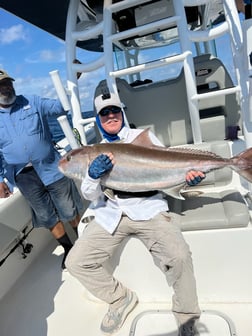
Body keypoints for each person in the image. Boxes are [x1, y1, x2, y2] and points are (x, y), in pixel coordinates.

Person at [66, 92, 205, 335]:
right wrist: (92, 174)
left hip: (149, 207)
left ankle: (186, 316)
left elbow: (166, 168)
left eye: (114, 111)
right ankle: (120, 299)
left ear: (122, 113)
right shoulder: (94, 151)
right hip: (111, 213)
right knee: (75, 262)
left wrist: (187, 178)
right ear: (98, 119)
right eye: (104, 113)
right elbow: (90, 195)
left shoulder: (142, 137)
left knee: (180, 256)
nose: (111, 116)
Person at [0, 69, 84, 269]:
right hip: (22, 176)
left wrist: (72, 82)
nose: (6, 87)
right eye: (1, 85)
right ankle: (68, 249)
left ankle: (83, 243)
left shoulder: (32, 101)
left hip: (51, 166)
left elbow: (61, 108)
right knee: (46, 215)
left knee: (68, 207)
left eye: (8, 83)